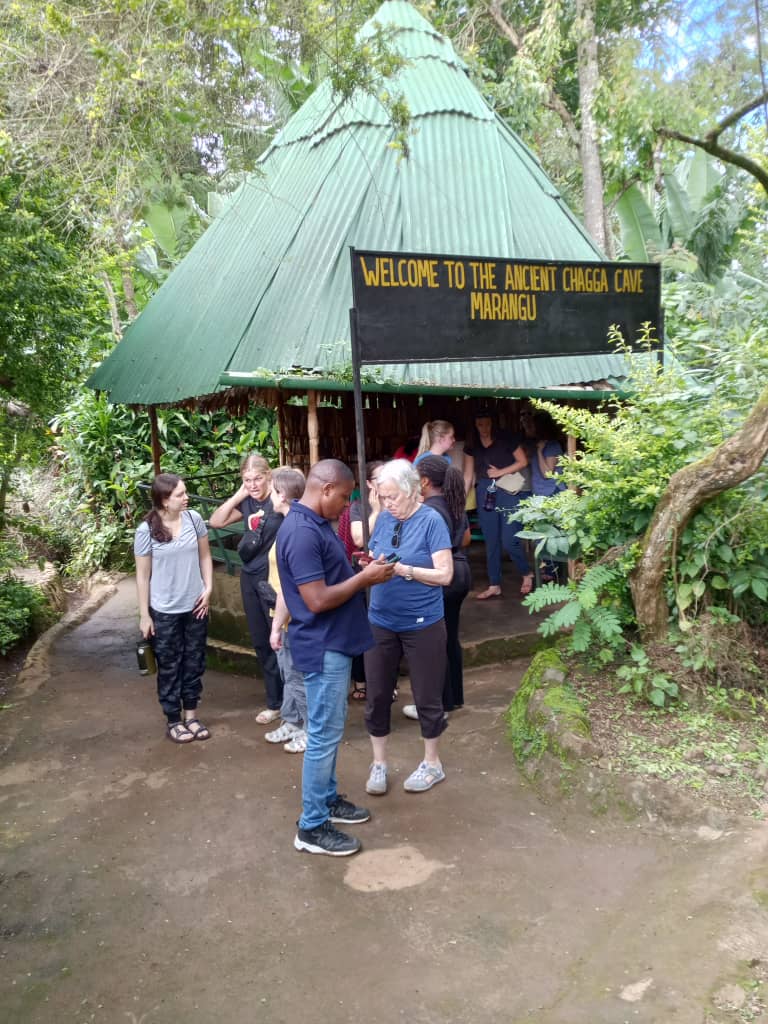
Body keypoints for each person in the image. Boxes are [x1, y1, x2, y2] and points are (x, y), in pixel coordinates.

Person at [276, 459, 396, 857]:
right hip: (322, 644)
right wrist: (364, 580)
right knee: (324, 736)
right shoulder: (302, 532)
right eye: (344, 498)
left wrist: (356, 569)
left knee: (330, 730)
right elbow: (316, 599)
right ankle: (311, 826)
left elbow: (327, 579)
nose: (346, 507)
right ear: (325, 488)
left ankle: (327, 799)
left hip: (334, 642)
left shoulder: (314, 526)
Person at [363, 459, 453, 797]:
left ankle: (433, 763)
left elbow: (445, 575)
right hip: (381, 620)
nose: (388, 504)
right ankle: (379, 763)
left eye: (393, 498)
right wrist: (372, 566)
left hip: (423, 623)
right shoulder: (384, 518)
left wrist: (405, 570)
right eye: (383, 497)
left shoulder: (432, 521)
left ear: (414, 491)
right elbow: (378, 555)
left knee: (427, 696)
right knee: (377, 695)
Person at [134, 473, 213, 743]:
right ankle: (173, 719)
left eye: (185, 492)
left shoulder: (194, 520)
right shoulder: (146, 530)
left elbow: (205, 556)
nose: (186, 497)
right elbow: (143, 576)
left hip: (195, 605)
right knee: (169, 664)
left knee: (194, 660)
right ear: (165, 500)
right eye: (180, 494)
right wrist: (145, 615)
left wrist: (209, 588)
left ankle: (191, 715)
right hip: (164, 609)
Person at [209, 454, 284, 724]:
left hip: (274, 578)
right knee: (261, 641)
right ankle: (275, 702)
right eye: (247, 480)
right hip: (250, 576)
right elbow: (216, 521)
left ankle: (294, 705)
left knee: (282, 641)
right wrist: (238, 494)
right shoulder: (248, 501)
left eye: (257, 478)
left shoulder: (279, 499)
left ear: (269, 476)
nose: (253, 484)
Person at [402, 455, 471, 718]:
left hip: (442, 575)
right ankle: (451, 699)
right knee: (449, 637)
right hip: (461, 571)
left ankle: (435, 706)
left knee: (431, 642)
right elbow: (464, 538)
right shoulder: (455, 504)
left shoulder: (429, 511)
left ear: (425, 481)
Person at [463, 408, 534, 600]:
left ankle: (526, 572)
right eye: (479, 424)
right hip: (484, 490)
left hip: (508, 489)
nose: (483, 428)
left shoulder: (506, 437)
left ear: (493, 423)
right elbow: (469, 474)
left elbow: (523, 461)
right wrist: (461, 498)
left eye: (486, 424)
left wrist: (501, 471)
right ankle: (494, 584)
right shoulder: (472, 444)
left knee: (510, 539)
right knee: (491, 540)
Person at [262, 467, 308, 753]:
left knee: (298, 676)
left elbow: (291, 588)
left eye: (272, 491)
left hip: (291, 617)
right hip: (280, 613)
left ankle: (310, 728)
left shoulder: (296, 528)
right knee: (287, 673)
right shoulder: (288, 524)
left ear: (282, 495)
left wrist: (278, 625)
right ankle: (292, 720)